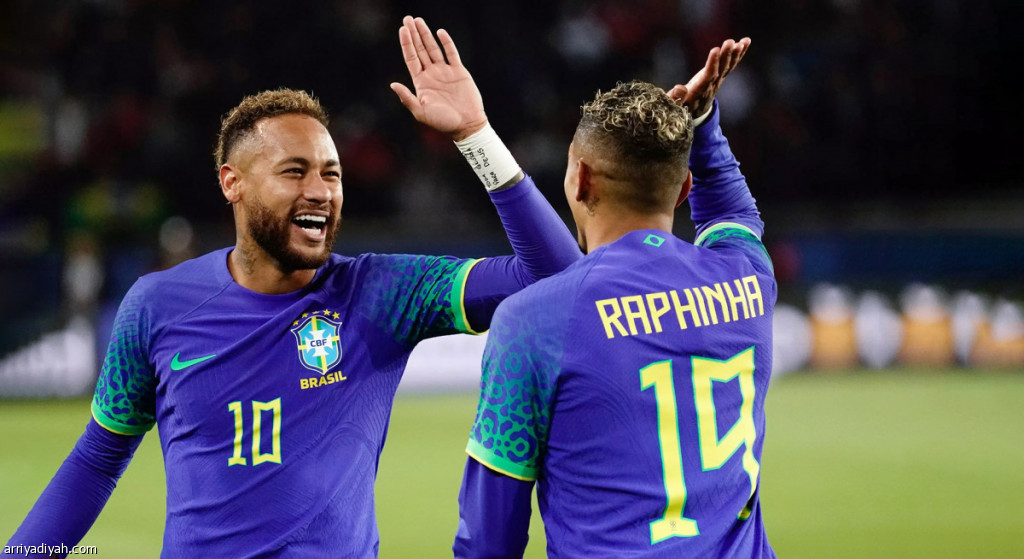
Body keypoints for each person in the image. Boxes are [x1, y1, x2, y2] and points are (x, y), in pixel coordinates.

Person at [4, 16, 581, 558]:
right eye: (294, 171)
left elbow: (556, 274)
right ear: (232, 183)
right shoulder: (156, 307)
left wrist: (476, 136)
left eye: (331, 173)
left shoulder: (381, 292)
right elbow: (96, 461)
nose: (320, 191)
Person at [454, 38, 779, 558]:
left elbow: (491, 537)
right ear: (683, 190)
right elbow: (735, 216)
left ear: (580, 179)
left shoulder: (533, 320)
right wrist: (702, 124)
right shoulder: (748, 280)